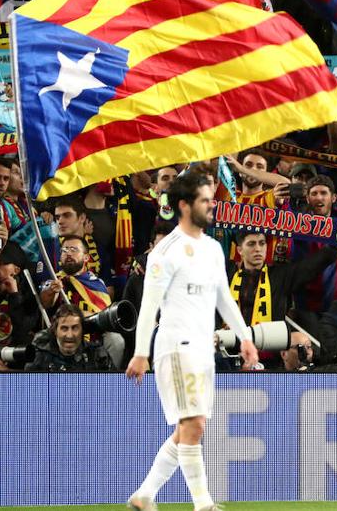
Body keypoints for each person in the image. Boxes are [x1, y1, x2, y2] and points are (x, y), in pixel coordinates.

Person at [126, 171, 256, 511]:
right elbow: (148, 307)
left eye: (211, 199)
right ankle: (204, 504)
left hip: (203, 350)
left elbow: (224, 297)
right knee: (194, 424)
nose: (212, 205)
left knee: (189, 428)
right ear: (184, 205)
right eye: (205, 200)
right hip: (175, 347)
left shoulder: (212, 248)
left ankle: (144, 496)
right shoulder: (165, 252)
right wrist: (140, 353)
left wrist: (244, 337)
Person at [26, 303, 115, 371]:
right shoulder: (39, 357)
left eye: (75, 328)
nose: (69, 335)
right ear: (55, 331)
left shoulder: (98, 356)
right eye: (64, 328)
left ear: (82, 331)